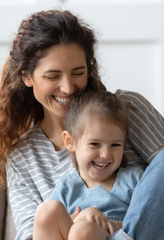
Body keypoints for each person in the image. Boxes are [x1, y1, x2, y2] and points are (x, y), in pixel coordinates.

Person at [0, 9, 164, 240]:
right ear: (27, 76)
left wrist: (132, 221)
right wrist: (80, 222)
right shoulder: (23, 157)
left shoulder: (125, 109)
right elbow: (32, 234)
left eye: (78, 73)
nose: (68, 88)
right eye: (53, 76)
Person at [33, 90, 144, 240]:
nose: (105, 154)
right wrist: (81, 218)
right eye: (95, 144)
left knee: (83, 231)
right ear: (70, 142)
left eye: (115, 145)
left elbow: (150, 224)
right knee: (47, 210)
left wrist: (107, 224)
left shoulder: (134, 180)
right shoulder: (67, 188)